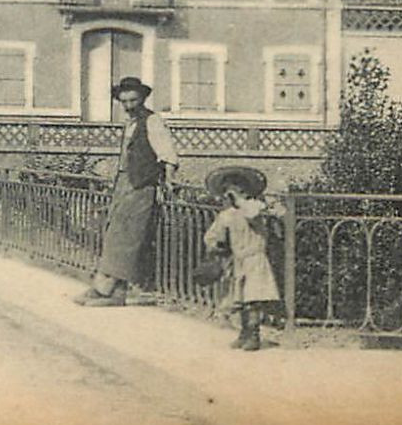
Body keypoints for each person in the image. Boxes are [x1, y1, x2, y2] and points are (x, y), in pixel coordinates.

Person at [74, 76, 180, 306]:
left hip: (141, 185)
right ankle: (111, 289)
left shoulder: (152, 121)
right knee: (114, 233)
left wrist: (169, 181)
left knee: (126, 237)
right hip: (124, 182)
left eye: (133, 100)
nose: (129, 105)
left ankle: (107, 291)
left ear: (142, 98)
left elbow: (168, 153)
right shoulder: (129, 123)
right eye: (124, 101)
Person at [202, 165, 282, 351]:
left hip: (255, 259)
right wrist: (217, 246)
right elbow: (212, 235)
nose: (232, 193)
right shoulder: (227, 215)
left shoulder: (255, 207)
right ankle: (244, 332)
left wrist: (240, 201)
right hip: (239, 261)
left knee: (253, 299)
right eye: (228, 189)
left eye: (237, 188)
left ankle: (254, 334)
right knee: (240, 299)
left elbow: (252, 214)